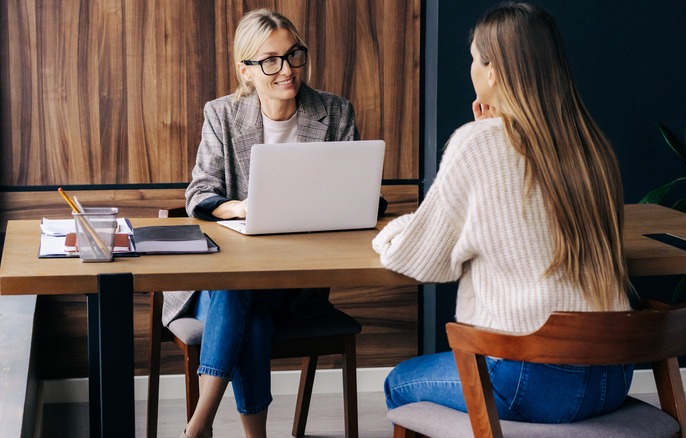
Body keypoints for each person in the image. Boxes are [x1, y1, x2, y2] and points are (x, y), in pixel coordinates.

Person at [373, 1, 634, 424]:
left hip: (533, 380)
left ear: (493, 73)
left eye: (474, 59)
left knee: (398, 382)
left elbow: (422, 258)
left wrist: (391, 233)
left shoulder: (478, 144)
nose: (471, 69)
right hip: (615, 376)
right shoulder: (592, 147)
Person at [168, 8, 359, 438]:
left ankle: (197, 427)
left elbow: (355, 192)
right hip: (220, 283)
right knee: (241, 295)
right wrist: (242, 207)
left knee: (248, 305)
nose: (286, 70)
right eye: (270, 61)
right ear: (246, 70)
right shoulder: (222, 114)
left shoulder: (334, 112)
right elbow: (198, 194)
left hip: (295, 281)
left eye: (294, 56)